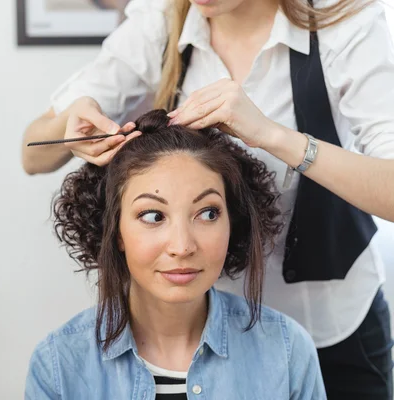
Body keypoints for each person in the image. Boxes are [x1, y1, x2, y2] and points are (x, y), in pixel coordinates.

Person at [21, 0, 394, 397]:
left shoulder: (342, 22)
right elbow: (33, 153)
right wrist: (71, 120)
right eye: (152, 215)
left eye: (209, 211)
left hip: (331, 323)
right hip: (205, 327)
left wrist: (272, 135)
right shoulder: (163, 19)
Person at [25, 110, 326, 399]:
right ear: (115, 231)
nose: (182, 247)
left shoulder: (287, 352)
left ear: (232, 221)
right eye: (154, 216)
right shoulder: (58, 365)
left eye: (208, 213)